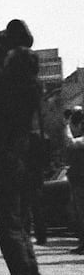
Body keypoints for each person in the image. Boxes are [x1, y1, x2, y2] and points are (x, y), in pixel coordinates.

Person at [0, 19, 45, 275]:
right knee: (21, 218)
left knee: (7, 220)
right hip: (29, 153)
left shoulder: (5, 79)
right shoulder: (30, 77)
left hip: (8, 153)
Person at [63, 106, 84, 253]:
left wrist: (66, 125)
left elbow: (70, 142)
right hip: (78, 179)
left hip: (81, 181)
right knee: (79, 213)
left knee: (82, 213)